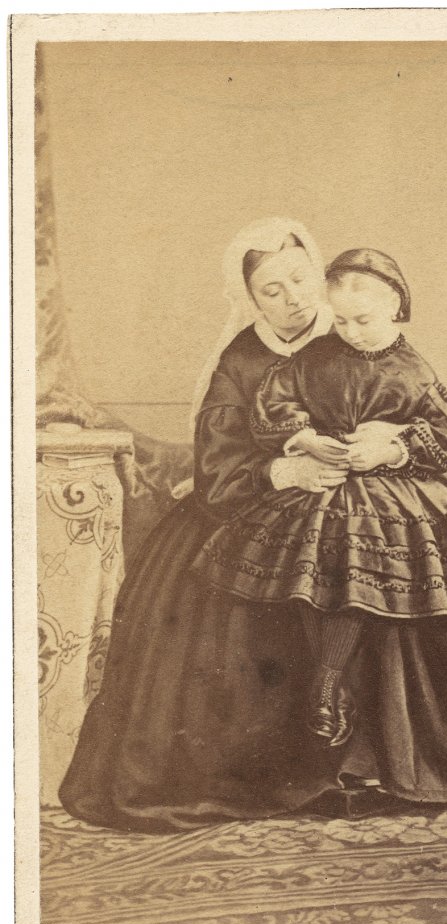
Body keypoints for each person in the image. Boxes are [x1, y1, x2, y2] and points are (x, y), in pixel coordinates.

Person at [192, 248, 447, 795]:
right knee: (328, 559)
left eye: (362, 320)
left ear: (394, 306)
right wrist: (304, 438)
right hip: (326, 480)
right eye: (340, 319)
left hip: (400, 491)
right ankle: (327, 681)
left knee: (369, 556)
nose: (351, 332)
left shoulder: (412, 369)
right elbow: (275, 400)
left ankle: (373, 706)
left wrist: (393, 448)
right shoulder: (316, 355)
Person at [59, 218, 380, 832]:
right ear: (251, 298)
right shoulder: (243, 357)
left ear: (318, 273)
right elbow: (218, 461)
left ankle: (369, 751)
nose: (291, 298)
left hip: (363, 498)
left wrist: (381, 445)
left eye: (298, 279)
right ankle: (283, 755)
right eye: (271, 290)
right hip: (257, 505)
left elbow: (409, 403)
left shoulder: (357, 333)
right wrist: (283, 474)